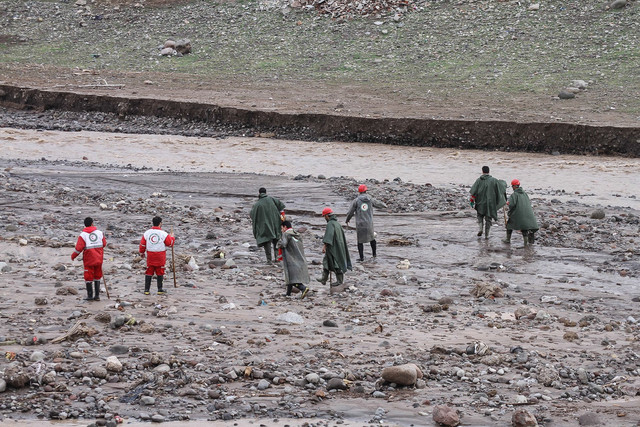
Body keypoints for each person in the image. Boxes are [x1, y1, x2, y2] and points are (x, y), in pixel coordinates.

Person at [346, 184, 387, 262]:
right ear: (366, 191)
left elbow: (350, 212)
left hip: (360, 224)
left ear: (359, 192)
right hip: (369, 224)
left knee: (360, 241)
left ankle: (361, 258)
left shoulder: (356, 201)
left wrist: (347, 219)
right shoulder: (370, 199)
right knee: (372, 239)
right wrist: (385, 206)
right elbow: (378, 204)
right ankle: (374, 255)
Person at [317, 207, 352, 294]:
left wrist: (324, 246)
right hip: (339, 246)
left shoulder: (330, 224)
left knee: (329, 262)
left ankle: (326, 279)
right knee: (336, 262)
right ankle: (331, 280)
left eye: (324, 216)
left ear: (327, 216)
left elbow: (329, 236)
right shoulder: (337, 224)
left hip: (333, 247)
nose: (324, 218)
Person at [71, 217, 107, 301]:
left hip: (89, 260)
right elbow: (104, 244)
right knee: (97, 276)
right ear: (92, 223)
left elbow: (78, 248)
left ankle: (90, 296)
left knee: (88, 277)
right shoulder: (99, 233)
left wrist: (73, 256)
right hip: (99, 258)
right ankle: (97, 296)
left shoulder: (83, 235)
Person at [139, 216, 175, 295]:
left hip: (150, 254)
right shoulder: (163, 233)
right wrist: (172, 237)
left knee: (149, 270)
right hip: (160, 255)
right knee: (160, 271)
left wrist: (142, 252)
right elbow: (170, 243)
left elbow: (142, 244)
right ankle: (159, 289)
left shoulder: (147, 233)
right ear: (160, 223)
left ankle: (146, 290)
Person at [469, 166, 507, 239]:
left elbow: (473, 192)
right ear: (489, 171)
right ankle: (487, 235)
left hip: (480, 202)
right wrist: (504, 183)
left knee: (480, 215)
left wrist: (472, 201)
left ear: (482, 171)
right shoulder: (494, 180)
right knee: (488, 219)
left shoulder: (478, 180)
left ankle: (480, 229)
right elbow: (501, 187)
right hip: (490, 204)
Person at [250, 187, 285, 264]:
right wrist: (282, 218)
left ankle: (269, 260)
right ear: (266, 192)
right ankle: (277, 258)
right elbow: (281, 207)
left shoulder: (257, 204)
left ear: (259, 193)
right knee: (276, 240)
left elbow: (252, 215)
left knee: (267, 242)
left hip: (265, 225)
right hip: (275, 223)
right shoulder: (272, 199)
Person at [277, 220, 310, 299]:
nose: (281, 230)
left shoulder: (286, 234)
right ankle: (288, 294)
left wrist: (278, 242)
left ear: (285, 227)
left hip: (291, 259)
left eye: (282, 228)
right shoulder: (296, 234)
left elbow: (283, 244)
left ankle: (303, 288)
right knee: (291, 276)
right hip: (299, 258)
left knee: (292, 278)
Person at [503, 179, 539, 246]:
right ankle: (525, 243)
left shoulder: (514, 195)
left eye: (512, 186)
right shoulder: (525, 194)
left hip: (518, 214)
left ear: (514, 186)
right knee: (524, 228)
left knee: (509, 225)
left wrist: (508, 204)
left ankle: (508, 239)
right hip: (527, 214)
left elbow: (512, 205)